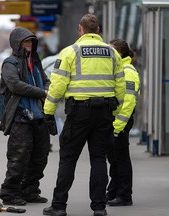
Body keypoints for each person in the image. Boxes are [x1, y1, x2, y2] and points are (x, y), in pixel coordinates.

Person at [42, 14, 125, 216]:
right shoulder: (113, 53)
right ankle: (99, 208)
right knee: (98, 159)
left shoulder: (70, 52)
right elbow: (120, 86)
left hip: (79, 113)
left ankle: (59, 206)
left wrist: (48, 112)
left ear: (80, 29)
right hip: (104, 113)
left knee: (68, 159)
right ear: (97, 31)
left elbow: (57, 85)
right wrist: (115, 110)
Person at [0, 27, 52, 206]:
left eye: (31, 41)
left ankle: (30, 190)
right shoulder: (10, 63)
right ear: (17, 44)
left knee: (40, 155)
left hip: (38, 116)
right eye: (25, 41)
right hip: (20, 117)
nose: (29, 44)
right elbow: (15, 85)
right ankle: (9, 192)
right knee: (18, 157)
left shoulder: (35, 62)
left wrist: (47, 88)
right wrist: (41, 92)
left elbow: (45, 79)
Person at [106, 39, 140, 206]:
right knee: (114, 159)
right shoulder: (118, 69)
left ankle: (125, 195)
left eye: (111, 50)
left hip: (121, 122)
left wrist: (118, 125)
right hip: (115, 121)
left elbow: (129, 102)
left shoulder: (128, 71)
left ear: (119, 53)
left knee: (121, 159)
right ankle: (113, 191)